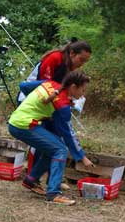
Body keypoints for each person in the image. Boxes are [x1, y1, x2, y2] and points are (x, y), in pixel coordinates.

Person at [9, 72, 95, 205]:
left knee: (53, 148)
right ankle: (53, 193)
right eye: (82, 90)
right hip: (25, 124)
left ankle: (31, 180)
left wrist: (35, 105)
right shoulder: (63, 106)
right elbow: (67, 134)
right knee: (60, 149)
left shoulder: (50, 84)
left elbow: (23, 86)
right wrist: (82, 157)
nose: (83, 94)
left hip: (16, 120)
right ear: (73, 87)